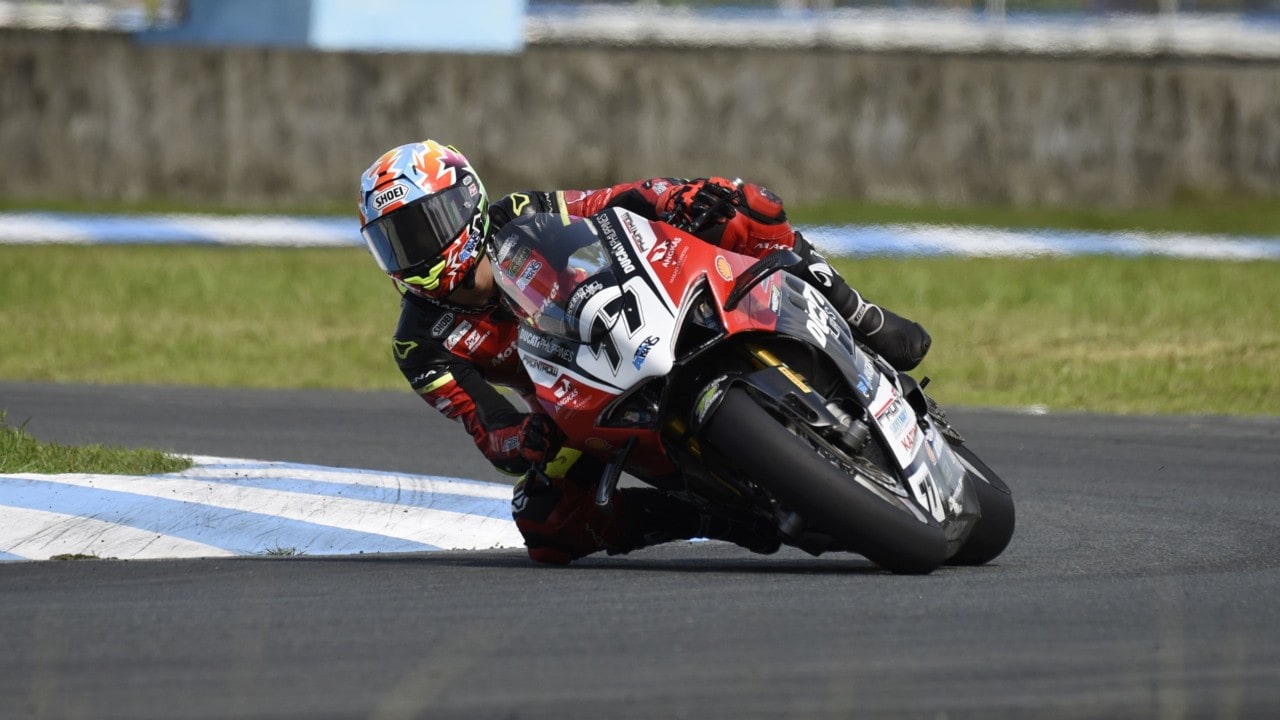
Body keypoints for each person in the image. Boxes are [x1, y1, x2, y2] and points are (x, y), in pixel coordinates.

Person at [357, 139, 931, 564]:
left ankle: (861, 315)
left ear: (467, 202)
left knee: (745, 207)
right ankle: (713, 517)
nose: (415, 250)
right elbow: (487, 425)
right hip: (572, 405)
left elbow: (616, 201)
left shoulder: (526, 215)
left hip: (636, 319)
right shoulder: (420, 343)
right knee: (543, 524)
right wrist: (520, 441)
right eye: (395, 241)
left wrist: (683, 198)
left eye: (423, 226)